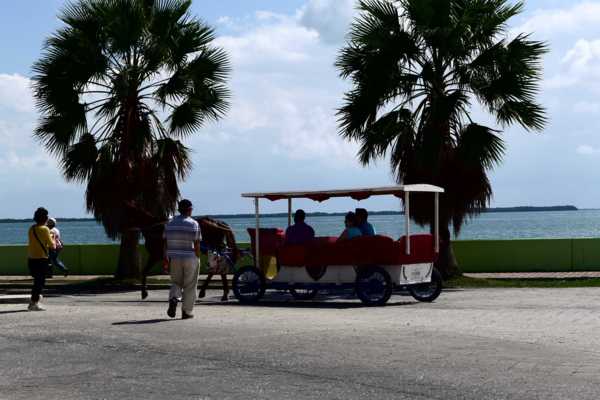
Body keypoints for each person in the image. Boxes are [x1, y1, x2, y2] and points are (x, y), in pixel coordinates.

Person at [164, 199, 201, 320]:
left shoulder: (169, 223)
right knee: (190, 285)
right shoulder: (194, 223)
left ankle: (174, 298)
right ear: (189, 210)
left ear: (179, 210)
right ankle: (186, 312)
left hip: (174, 257)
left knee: (176, 282)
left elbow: (165, 243)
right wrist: (198, 257)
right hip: (190, 258)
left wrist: (166, 258)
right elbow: (197, 244)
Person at [27, 207, 56, 311]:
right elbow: (52, 246)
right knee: (40, 282)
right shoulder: (45, 229)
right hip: (41, 259)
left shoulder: (31, 228)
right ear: (44, 218)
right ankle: (33, 303)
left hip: (31, 259)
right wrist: (53, 237)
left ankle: (34, 300)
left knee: (37, 281)